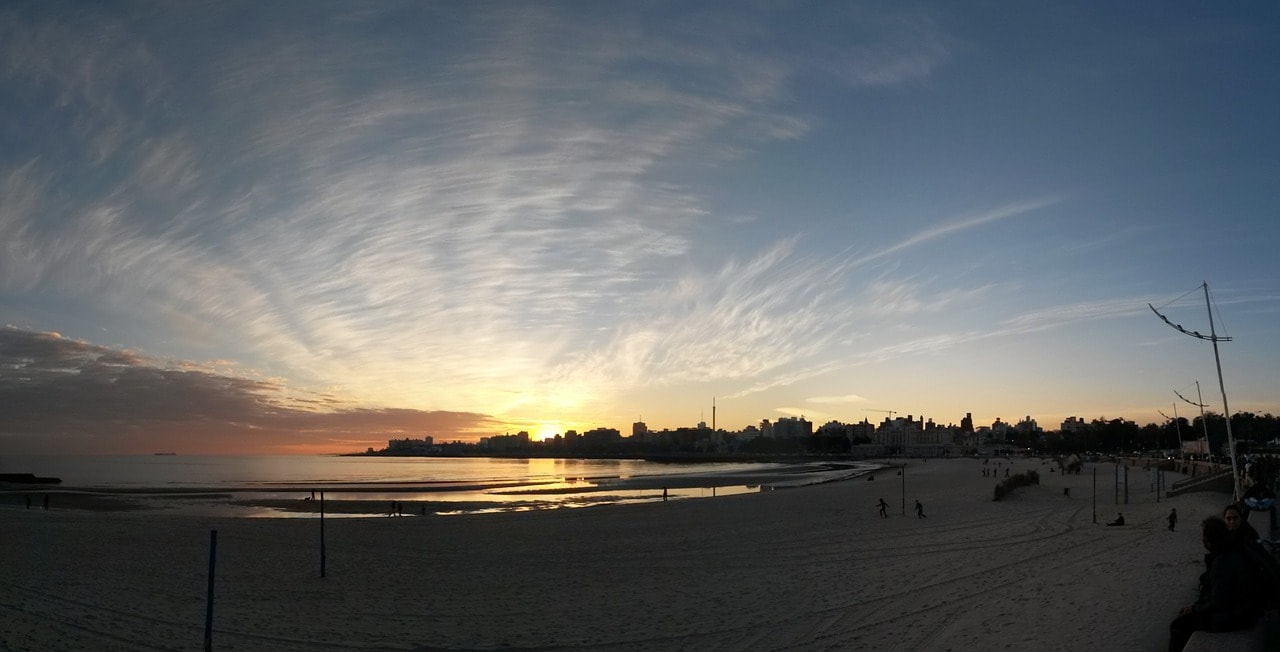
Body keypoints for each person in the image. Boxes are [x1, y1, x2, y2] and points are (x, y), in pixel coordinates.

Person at [1168, 517, 1264, 651]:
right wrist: (1195, 606)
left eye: (1203, 536)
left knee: (1178, 625)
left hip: (1239, 616)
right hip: (1244, 609)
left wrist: (1195, 609)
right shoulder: (1232, 548)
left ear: (1209, 538)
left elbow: (1219, 600)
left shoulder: (1222, 560)